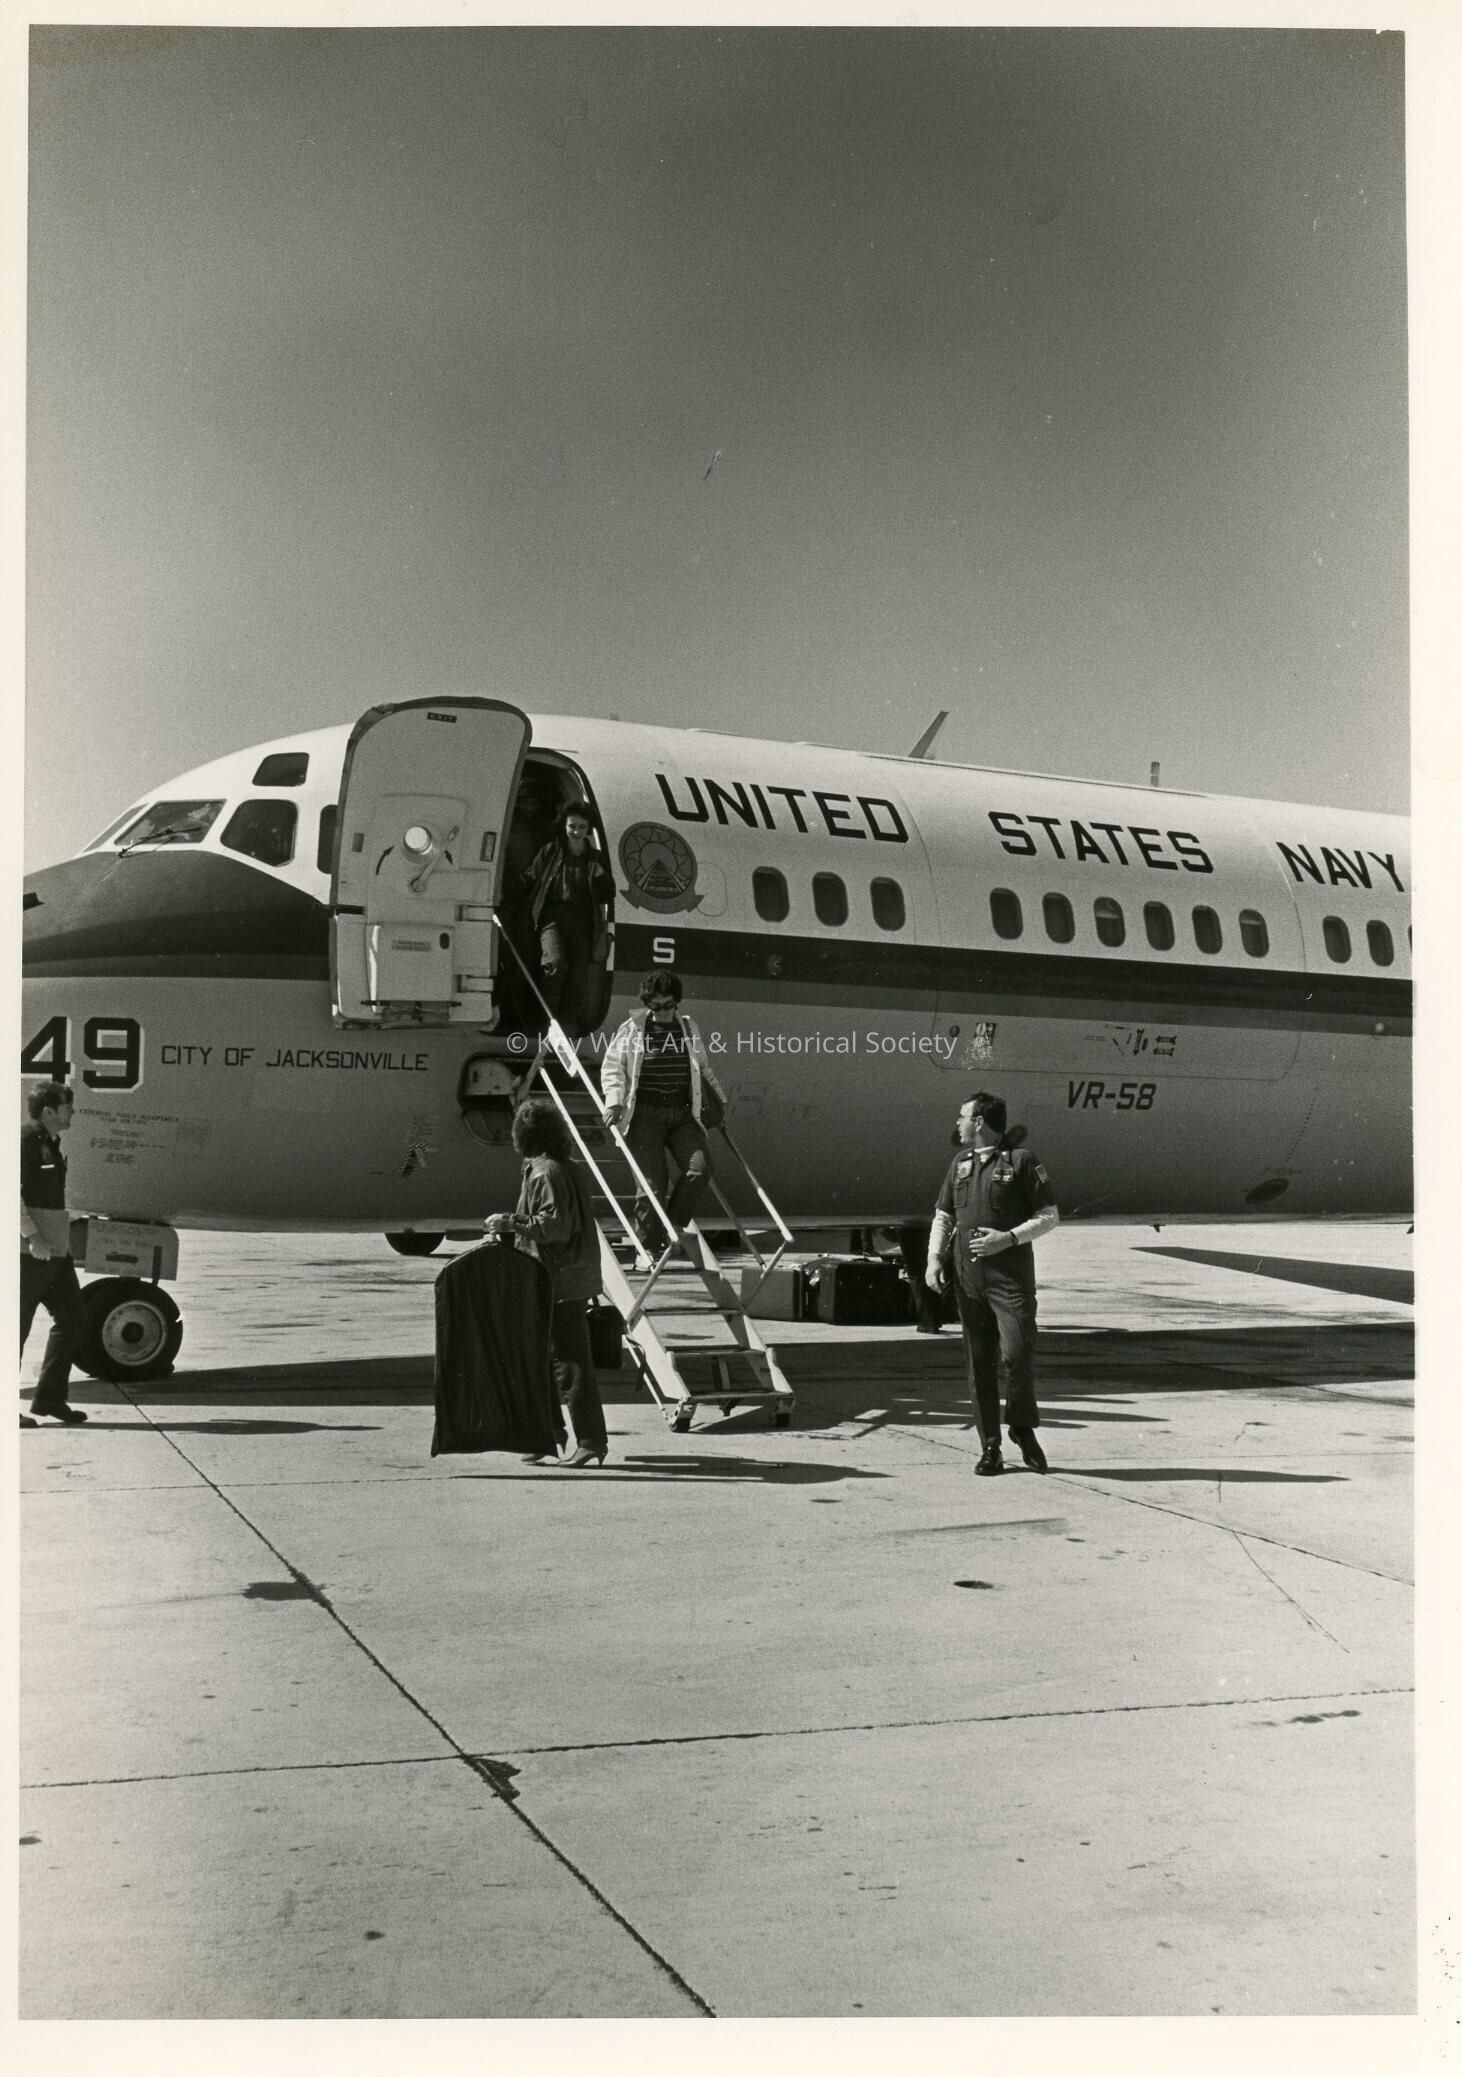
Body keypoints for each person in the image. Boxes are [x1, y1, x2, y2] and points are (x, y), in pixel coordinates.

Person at [926, 1090, 1059, 1476]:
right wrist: (933, 1258)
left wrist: (1009, 1238)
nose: (958, 1123)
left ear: (979, 1122)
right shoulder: (960, 1163)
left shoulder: (1022, 1161)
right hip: (969, 1278)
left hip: (1009, 1278)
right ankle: (990, 1447)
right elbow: (943, 1216)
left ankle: (1020, 1426)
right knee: (979, 1362)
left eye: (963, 1116)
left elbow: (1049, 1216)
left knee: (1017, 1354)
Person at [484, 1099, 610, 1469]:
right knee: (542, 1359)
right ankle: (549, 1433)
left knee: (568, 1363)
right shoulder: (565, 1167)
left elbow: (555, 1227)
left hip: (556, 1280)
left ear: (523, 1136)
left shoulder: (543, 1173)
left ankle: (588, 1440)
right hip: (564, 1276)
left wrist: (509, 1222)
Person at [601, 972, 726, 1251]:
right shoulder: (632, 1028)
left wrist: (719, 1104)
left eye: (668, 1005)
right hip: (644, 1115)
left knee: (700, 1169)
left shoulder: (689, 1028)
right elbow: (613, 1066)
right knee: (651, 1187)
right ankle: (647, 1250)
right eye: (655, 1006)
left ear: (676, 1002)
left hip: (682, 1114)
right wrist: (614, 1101)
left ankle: (673, 1226)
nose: (662, 1011)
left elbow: (703, 1069)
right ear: (647, 1004)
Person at [20, 1083, 88, 1427]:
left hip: (55, 1253)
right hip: (29, 1253)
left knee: (73, 1318)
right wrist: (32, 1237)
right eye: (67, 1107)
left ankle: (49, 1399)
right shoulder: (25, 1142)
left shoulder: (50, 1143)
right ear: (48, 1111)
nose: (72, 1112)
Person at [520, 805, 615, 1038]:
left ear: (588, 829)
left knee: (578, 977)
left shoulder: (595, 859)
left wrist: (601, 876)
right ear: (564, 826)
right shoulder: (550, 852)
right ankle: (548, 1021)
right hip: (552, 918)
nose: (576, 832)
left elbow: (608, 894)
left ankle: (567, 1028)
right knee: (555, 964)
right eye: (572, 826)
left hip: (582, 921)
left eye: (582, 827)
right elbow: (531, 877)